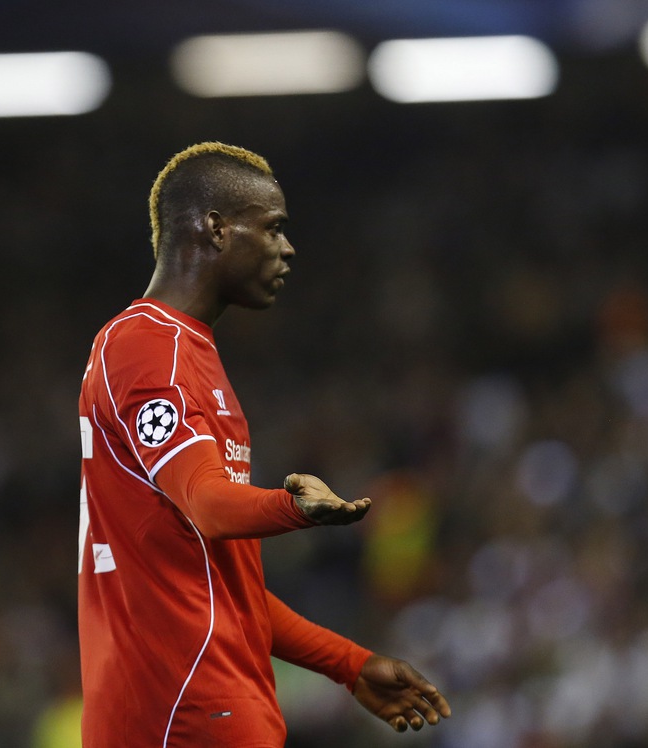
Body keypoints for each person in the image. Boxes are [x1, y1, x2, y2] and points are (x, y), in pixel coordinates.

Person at [76, 141, 451, 747]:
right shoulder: (149, 346)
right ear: (217, 229)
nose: (288, 247)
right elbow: (204, 500)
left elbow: (228, 588)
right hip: (186, 708)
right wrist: (291, 507)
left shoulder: (186, 351)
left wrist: (349, 664)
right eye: (273, 228)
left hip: (207, 702)